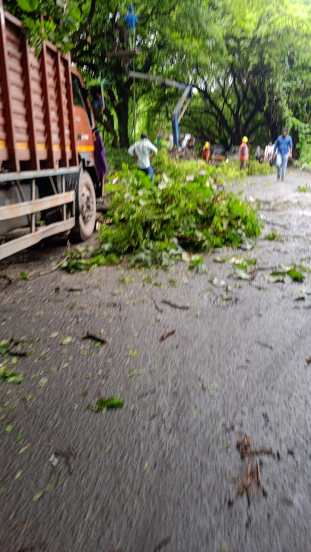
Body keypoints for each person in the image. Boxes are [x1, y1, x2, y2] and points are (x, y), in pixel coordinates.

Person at [93, 128, 107, 196]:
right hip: (101, 159)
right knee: (102, 176)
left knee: (100, 176)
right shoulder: (99, 139)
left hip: (98, 160)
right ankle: (101, 192)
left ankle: (100, 191)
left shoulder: (95, 140)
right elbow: (101, 148)